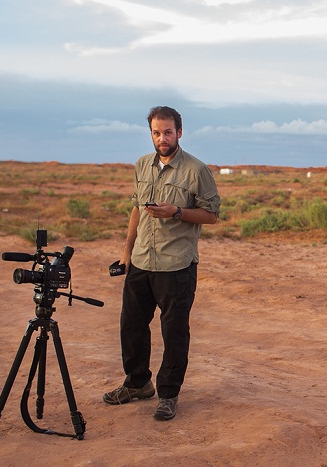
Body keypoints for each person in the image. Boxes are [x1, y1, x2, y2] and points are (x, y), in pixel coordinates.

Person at [103, 106, 221, 421]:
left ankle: (168, 395)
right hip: (141, 260)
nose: (162, 138)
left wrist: (177, 212)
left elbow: (211, 215)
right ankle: (137, 383)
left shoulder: (197, 170)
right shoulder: (142, 165)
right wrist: (127, 253)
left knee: (174, 333)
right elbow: (136, 209)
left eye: (168, 132)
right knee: (131, 326)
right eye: (156, 133)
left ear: (179, 132)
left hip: (176, 265)